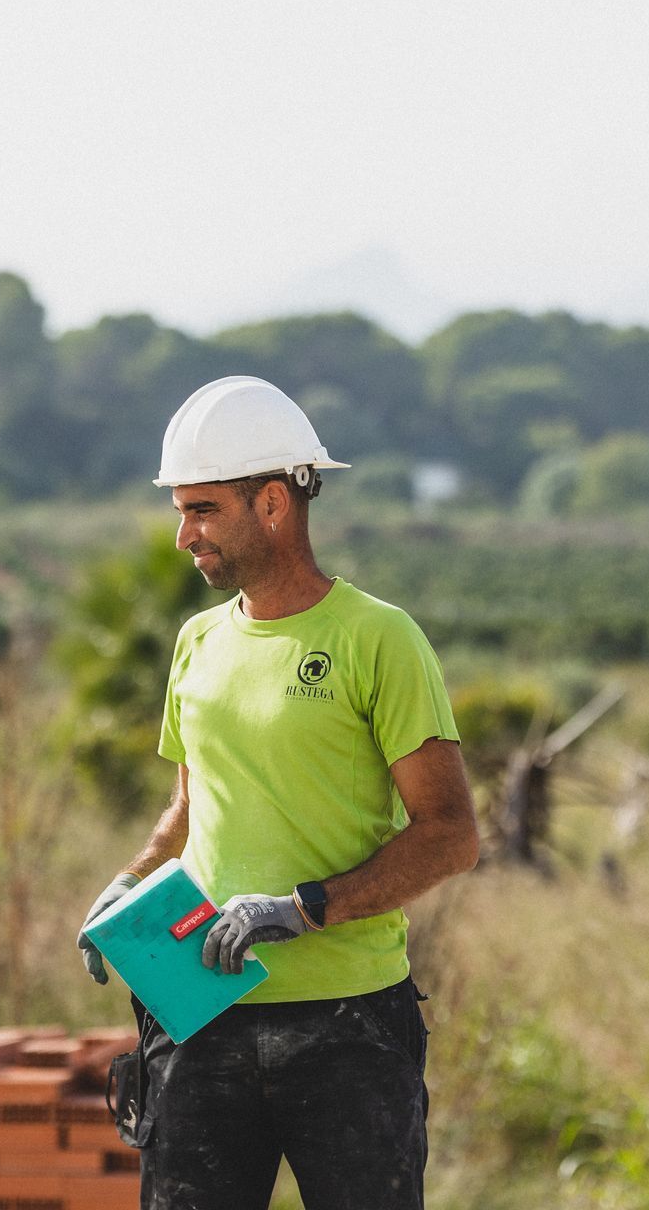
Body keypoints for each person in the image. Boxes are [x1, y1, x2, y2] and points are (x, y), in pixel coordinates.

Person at [77, 375, 479, 1210]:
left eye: (202, 509)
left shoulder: (379, 640)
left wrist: (301, 910)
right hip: (199, 1011)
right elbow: (193, 806)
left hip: (349, 1028)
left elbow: (449, 834)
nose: (183, 534)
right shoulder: (196, 643)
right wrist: (127, 887)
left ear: (271, 503)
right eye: (180, 510)